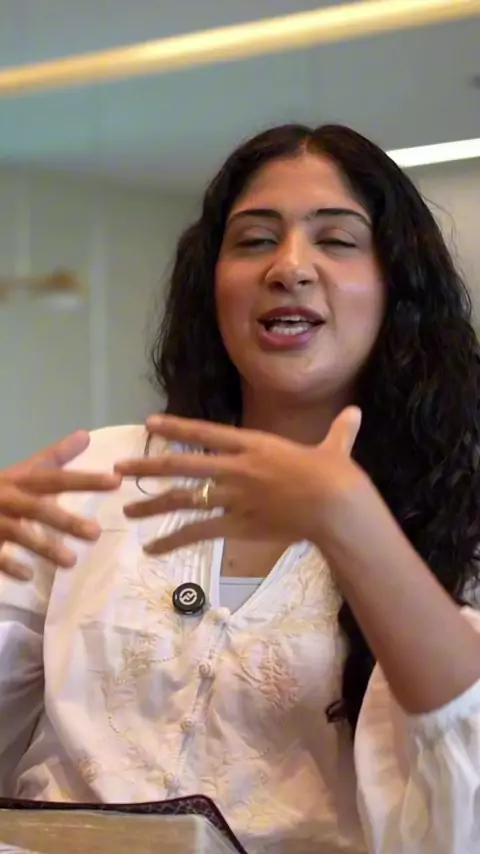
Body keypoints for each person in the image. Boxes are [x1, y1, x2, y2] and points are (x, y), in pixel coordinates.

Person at [0, 123, 479, 854]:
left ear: (398, 285)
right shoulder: (102, 473)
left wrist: (351, 522)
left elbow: (461, 809)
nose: (290, 267)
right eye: (255, 240)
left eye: (337, 240)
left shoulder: (460, 512)